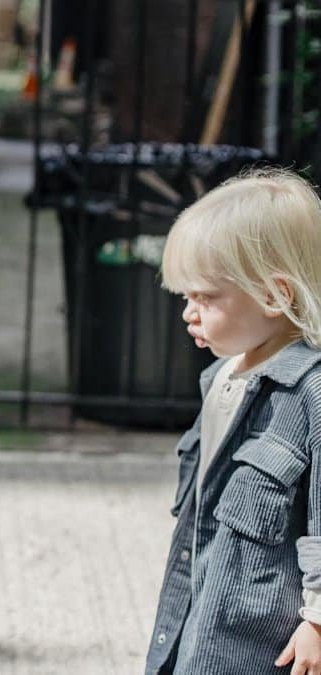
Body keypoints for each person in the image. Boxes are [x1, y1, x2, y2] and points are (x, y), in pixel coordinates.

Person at [147, 168, 321, 674]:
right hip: (203, 619)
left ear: (275, 295)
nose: (188, 313)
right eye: (185, 296)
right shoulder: (222, 378)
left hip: (260, 643)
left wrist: (316, 621)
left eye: (205, 297)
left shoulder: (310, 391)